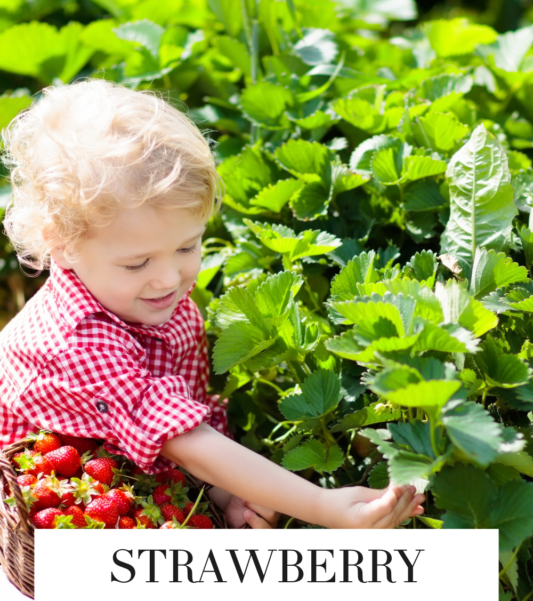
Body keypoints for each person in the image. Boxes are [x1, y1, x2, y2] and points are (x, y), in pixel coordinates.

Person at [0, 79, 425, 533]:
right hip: (47, 509)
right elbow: (185, 441)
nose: (169, 278)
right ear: (61, 246)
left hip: (133, 496)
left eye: (187, 248)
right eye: (137, 262)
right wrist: (325, 507)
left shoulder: (151, 299)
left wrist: (223, 494)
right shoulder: (75, 342)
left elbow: (184, 419)